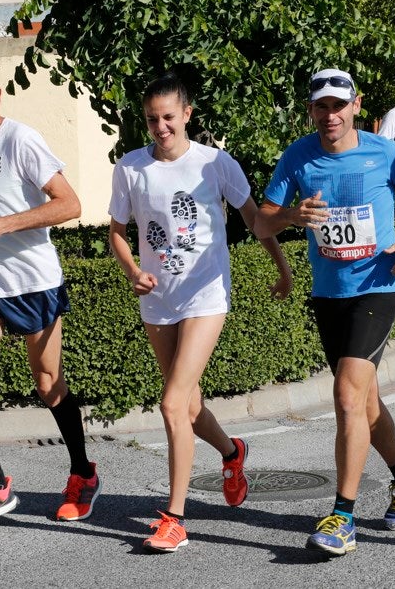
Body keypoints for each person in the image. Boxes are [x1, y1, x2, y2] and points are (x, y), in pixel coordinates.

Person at [255, 68, 395, 556]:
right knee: (365, 401)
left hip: (379, 284)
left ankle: (342, 516)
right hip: (329, 291)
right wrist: (292, 215)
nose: (330, 115)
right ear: (311, 109)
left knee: (346, 396)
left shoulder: (385, 152)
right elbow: (260, 221)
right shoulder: (298, 156)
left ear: (356, 105)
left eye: (339, 105)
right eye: (321, 106)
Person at [108, 72, 293, 553]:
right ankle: (233, 452)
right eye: (152, 119)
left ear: (187, 114)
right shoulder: (130, 168)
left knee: (171, 404)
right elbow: (117, 232)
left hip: (205, 296)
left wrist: (283, 268)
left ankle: (174, 517)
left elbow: (256, 221)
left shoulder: (215, 164)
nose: (161, 127)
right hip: (157, 298)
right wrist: (132, 271)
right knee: (188, 406)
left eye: (169, 117)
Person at [0, 59, 98, 529]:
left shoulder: (20, 140)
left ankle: (83, 473)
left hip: (34, 283)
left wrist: (4, 226)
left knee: (49, 386)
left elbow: (70, 204)